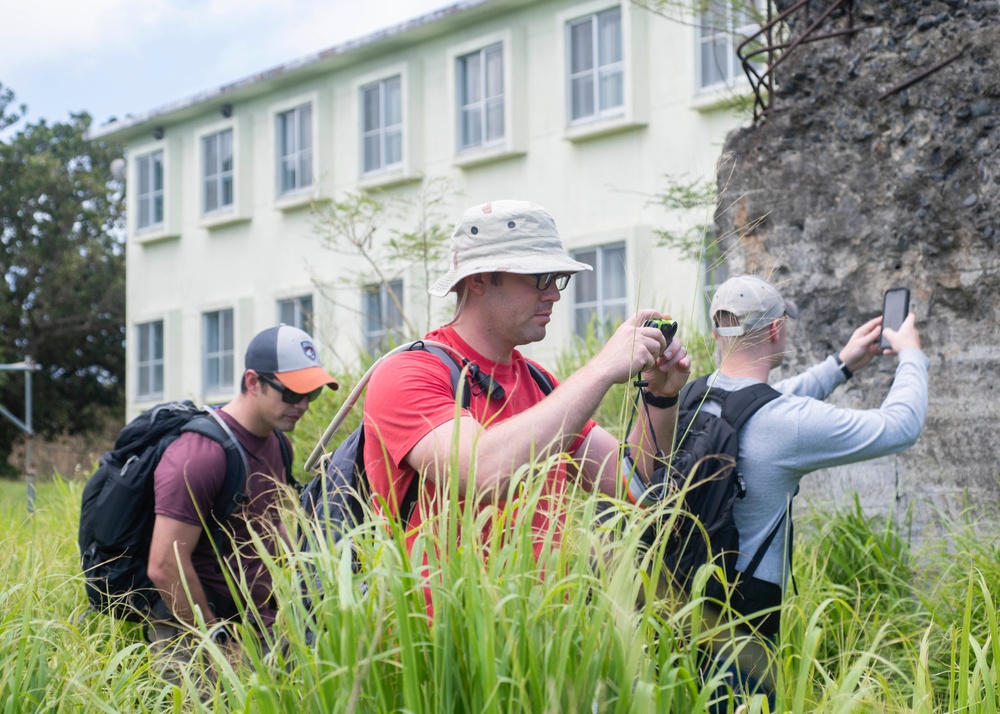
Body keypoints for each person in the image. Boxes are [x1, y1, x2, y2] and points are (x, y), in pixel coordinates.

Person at [363, 199, 692, 567]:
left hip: (541, 622)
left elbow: (632, 485)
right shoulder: (410, 374)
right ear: (479, 280)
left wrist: (661, 396)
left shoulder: (538, 382)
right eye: (540, 278)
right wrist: (602, 368)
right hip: (443, 624)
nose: (554, 293)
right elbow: (482, 477)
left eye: (557, 278)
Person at [700, 274, 929, 701]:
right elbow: (900, 426)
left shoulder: (694, 399)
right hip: (747, 621)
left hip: (685, 604)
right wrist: (912, 355)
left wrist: (841, 364)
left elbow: (767, 399)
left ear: (717, 331)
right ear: (775, 330)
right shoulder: (790, 422)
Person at [146, 324, 337, 658]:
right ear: (253, 382)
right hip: (196, 638)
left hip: (259, 630)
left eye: (313, 393)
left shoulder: (279, 443)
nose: (304, 404)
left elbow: (271, 523)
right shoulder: (199, 455)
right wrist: (216, 642)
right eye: (292, 393)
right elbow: (164, 565)